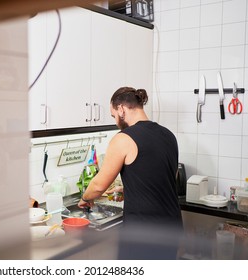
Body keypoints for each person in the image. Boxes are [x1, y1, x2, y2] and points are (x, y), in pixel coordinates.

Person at [78, 86, 183, 259]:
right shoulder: (168, 135)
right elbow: (167, 179)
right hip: (172, 228)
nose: (115, 121)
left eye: (113, 116)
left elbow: (98, 185)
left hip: (143, 233)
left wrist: (85, 198)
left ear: (121, 109)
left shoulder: (123, 138)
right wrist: (129, 190)